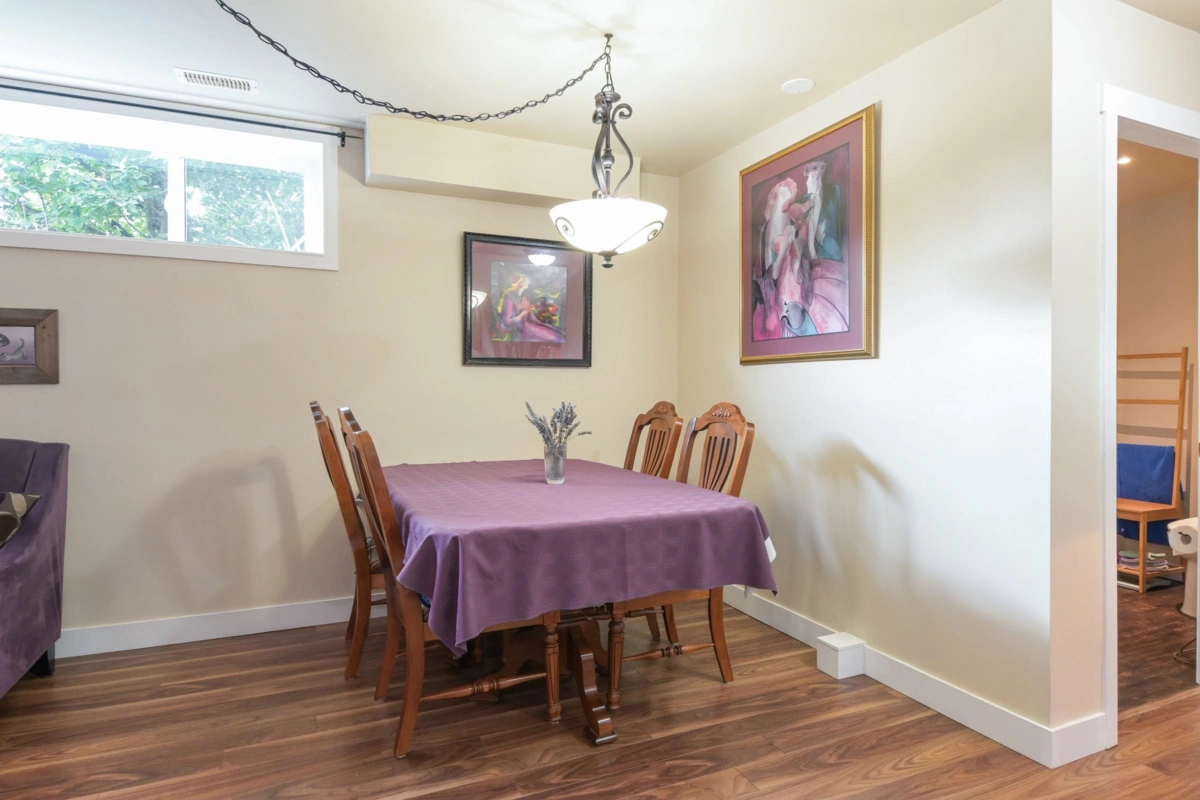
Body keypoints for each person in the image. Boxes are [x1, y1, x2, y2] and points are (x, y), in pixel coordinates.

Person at [494, 273, 566, 343]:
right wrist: (522, 314)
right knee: (555, 338)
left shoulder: (525, 296)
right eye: (526, 281)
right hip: (521, 329)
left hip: (530, 324)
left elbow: (530, 314)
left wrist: (539, 320)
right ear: (521, 284)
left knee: (557, 335)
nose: (528, 283)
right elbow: (507, 322)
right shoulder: (510, 298)